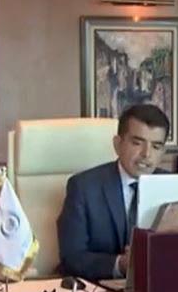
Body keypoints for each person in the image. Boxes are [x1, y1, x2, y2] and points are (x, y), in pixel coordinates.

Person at [57, 104, 169, 280]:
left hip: (161, 287)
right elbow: (72, 257)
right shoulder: (84, 187)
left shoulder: (174, 186)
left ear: (163, 152)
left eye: (156, 146)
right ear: (118, 144)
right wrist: (120, 264)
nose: (146, 154)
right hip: (100, 289)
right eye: (137, 143)